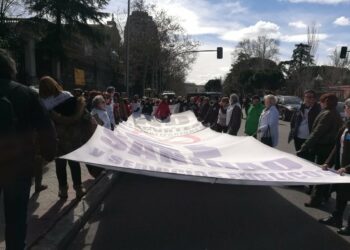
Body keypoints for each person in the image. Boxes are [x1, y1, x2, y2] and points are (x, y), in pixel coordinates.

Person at [0, 49, 57, 250]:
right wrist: (49, 154)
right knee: (16, 218)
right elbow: (46, 128)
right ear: (11, 68)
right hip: (18, 165)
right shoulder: (25, 93)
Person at [39, 76, 92, 199]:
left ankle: (63, 190)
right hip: (72, 135)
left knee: (60, 164)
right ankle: (78, 189)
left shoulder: (43, 103)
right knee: (74, 162)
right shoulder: (67, 95)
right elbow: (79, 113)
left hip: (57, 136)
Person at [299, 93, 343, 208]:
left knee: (320, 174)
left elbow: (317, 133)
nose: (320, 103)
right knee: (326, 173)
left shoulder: (327, 114)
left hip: (323, 148)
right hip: (328, 147)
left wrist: (304, 147)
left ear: (326, 102)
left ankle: (315, 200)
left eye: (322, 101)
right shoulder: (334, 113)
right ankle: (325, 195)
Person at [318, 99, 350, 235]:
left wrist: (348, 168)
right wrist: (328, 162)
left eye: (348, 106)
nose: (346, 109)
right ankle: (336, 218)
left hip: (347, 170)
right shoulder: (346, 125)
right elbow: (337, 147)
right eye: (347, 106)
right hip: (342, 170)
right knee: (341, 195)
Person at [289, 90, 321, 161]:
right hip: (298, 137)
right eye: (306, 97)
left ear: (314, 99)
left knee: (309, 159)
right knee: (299, 157)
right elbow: (293, 121)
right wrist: (293, 131)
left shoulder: (318, 109)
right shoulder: (300, 108)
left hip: (309, 139)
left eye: (310, 97)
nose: (307, 99)